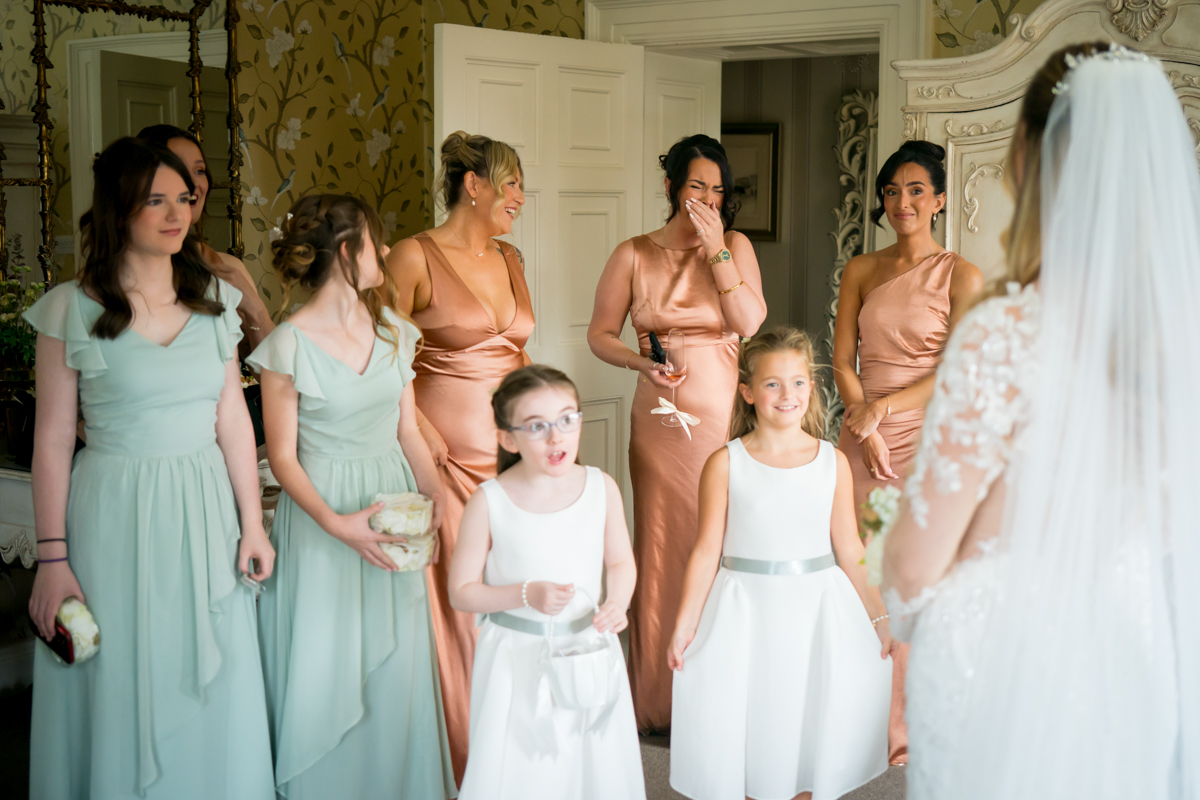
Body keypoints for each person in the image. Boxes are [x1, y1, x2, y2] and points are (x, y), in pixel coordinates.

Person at [882, 43, 1200, 799]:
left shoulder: (1007, 333)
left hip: (999, 648)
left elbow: (916, 563)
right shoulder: (1179, 341)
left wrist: (894, 570)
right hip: (1133, 642)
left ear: (1028, 155)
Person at [24, 137, 275, 799]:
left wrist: (253, 525)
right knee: (123, 674)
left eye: (183, 199)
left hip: (204, 508)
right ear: (119, 211)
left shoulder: (216, 301)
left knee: (210, 671)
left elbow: (231, 421)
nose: (175, 214)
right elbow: (51, 441)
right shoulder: (68, 309)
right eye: (155, 200)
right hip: (112, 512)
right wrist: (52, 560)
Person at [249, 194, 455, 799]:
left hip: (391, 509)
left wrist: (436, 495)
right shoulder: (286, 346)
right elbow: (282, 458)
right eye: (376, 241)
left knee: (394, 670)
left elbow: (408, 430)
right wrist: (338, 526)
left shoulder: (394, 331)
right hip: (323, 520)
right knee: (326, 663)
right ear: (346, 252)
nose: (387, 251)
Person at [588, 134, 766, 733]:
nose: (708, 200)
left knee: (720, 541)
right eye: (697, 187)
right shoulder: (633, 253)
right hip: (660, 420)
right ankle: (659, 700)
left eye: (717, 190)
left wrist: (717, 250)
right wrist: (640, 363)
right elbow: (600, 334)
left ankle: (720, 696)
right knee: (662, 543)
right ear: (671, 187)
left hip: (721, 418)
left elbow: (749, 322)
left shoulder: (735, 244)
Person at [668, 327, 893, 800]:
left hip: (814, 611)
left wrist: (880, 615)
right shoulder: (725, 463)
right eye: (772, 383)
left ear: (812, 387)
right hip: (746, 612)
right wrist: (684, 625)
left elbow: (850, 546)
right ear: (748, 392)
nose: (786, 394)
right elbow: (707, 549)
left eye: (797, 381)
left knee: (806, 726)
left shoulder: (832, 461)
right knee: (752, 727)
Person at [386, 132, 533, 779]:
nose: (520, 199)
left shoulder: (511, 258)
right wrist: (420, 434)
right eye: (511, 185)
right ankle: (467, 762)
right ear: (472, 185)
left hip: (514, 460)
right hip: (443, 460)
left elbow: (520, 355)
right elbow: (379, 362)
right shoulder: (412, 256)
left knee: (515, 597)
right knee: (459, 609)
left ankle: (517, 744)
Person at [832, 140, 981, 764]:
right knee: (852, 573)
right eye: (892, 191)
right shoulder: (862, 269)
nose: (902, 202)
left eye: (916, 190)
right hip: (860, 438)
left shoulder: (961, 275)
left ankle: (903, 728)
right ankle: (846, 717)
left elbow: (956, 368)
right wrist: (862, 423)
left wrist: (883, 410)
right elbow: (841, 358)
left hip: (922, 438)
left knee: (909, 578)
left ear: (940, 200)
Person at [448, 365, 644, 799]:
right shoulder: (490, 501)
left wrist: (620, 601)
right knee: (523, 767)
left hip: (587, 648)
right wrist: (524, 594)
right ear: (507, 438)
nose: (557, 437)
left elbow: (620, 562)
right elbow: (461, 591)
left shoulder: (601, 487)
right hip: (516, 658)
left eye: (566, 419)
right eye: (537, 427)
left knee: (590, 756)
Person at [137, 124, 274, 350]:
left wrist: (256, 311)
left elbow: (276, 378)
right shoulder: (119, 275)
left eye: (199, 171)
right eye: (178, 168)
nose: (193, 183)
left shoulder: (228, 267)